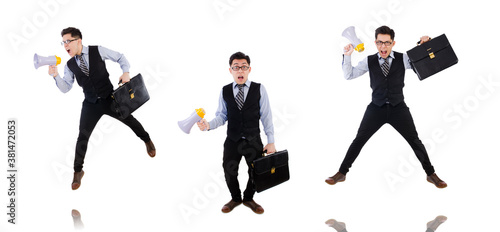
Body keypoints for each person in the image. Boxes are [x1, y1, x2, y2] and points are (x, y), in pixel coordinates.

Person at [325, 25, 447, 188]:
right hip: (376, 108)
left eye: (387, 43)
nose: (383, 46)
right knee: (359, 140)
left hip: (398, 108)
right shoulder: (368, 61)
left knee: (415, 141)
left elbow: (424, 61)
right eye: (380, 42)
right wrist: (347, 56)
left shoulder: (403, 58)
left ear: (393, 43)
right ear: (375, 43)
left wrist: (425, 45)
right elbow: (349, 75)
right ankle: (341, 173)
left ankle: (431, 174)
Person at [48, 27, 156, 190]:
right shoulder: (69, 65)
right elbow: (65, 88)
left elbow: (120, 57)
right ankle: (78, 171)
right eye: (63, 43)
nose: (65, 46)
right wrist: (55, 75)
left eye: (68, 41)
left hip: (109, 98)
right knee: (82, 137)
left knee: (129, 120)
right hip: (90, 104)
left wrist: (125, 72)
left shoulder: (97, 50)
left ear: (78, 41)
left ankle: (147, 140)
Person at [197, 51, 276, 214]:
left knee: (256, 171)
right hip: (232, 140)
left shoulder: (259, 89)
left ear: (249, 69)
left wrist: (271, 140)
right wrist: (208, 125)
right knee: (228, 170)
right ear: (230, 70)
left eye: (243, 67)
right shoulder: (225, 90)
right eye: (236, 67)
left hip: (253, 139)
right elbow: (222, 116)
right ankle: (235, 198)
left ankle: (248, 198)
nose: (240, 70)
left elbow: (267, 116)